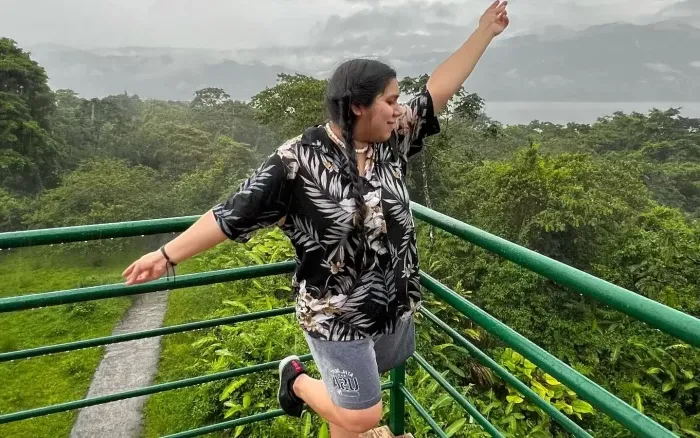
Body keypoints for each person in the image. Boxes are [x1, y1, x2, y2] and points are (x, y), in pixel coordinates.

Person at [122, 1, 509, 436]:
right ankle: (297, 381)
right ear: (358, 106)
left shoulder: (390, 138)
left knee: (348, 404)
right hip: (335, 314)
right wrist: (166, 255)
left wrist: (484, 32)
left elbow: (440, 88)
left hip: (389, 305)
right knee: (364, 413)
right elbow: (232, 213)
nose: (400, 109)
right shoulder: (296, 162)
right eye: (391, 99)